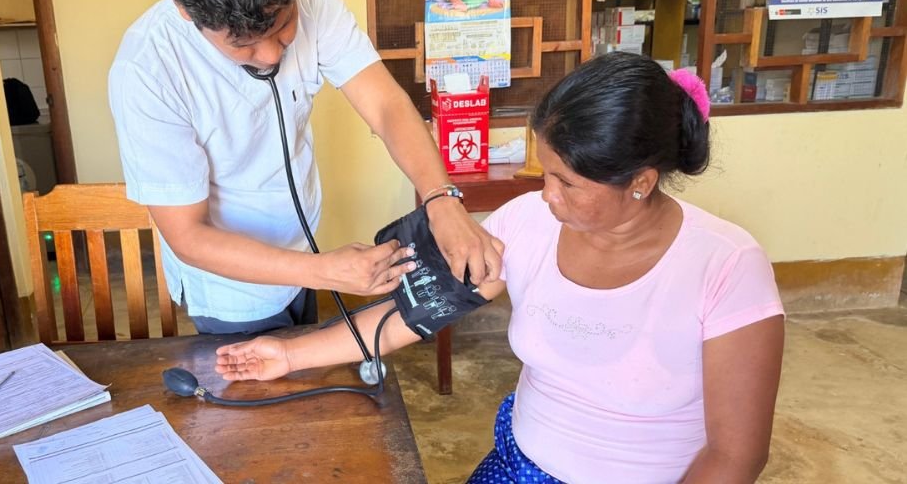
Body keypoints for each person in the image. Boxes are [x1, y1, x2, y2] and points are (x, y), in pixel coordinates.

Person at [216, 53, 786, 483]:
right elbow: (413, 312)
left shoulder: (726, 266)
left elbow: (736, 456)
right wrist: (289, 355)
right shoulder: (529, 222)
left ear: (640, 182)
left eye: (567, 183)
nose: (547, 195)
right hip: (518, 467)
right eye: (545, 173)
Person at [107, 0, 502, 335]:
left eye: (283, 27)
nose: (272, 55)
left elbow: (386, 104)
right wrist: (325, 271)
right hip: (232, 289)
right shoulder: (147, 70)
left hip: (305, 254)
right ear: (186, 12)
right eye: (244, 45)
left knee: (305, 355)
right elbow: (188, 235)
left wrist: (441, 199)